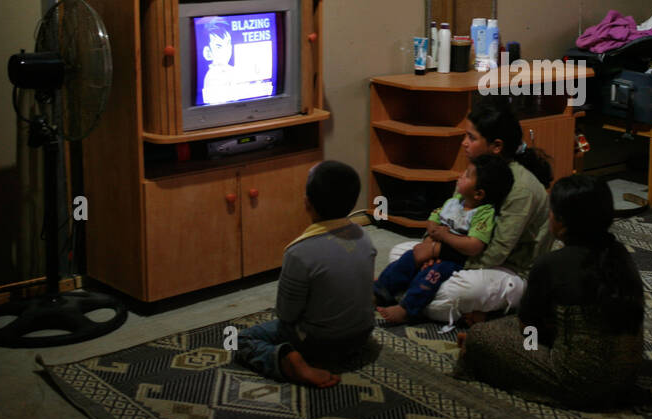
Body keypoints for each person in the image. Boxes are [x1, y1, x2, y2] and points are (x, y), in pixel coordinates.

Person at [454, 174, 645, 408]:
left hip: (579, 381)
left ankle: (478, 352)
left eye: (552, 211)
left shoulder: (551, 263)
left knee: (481, 337)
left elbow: (529, 329)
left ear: (562, 223)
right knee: (505, 323)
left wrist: (513, 346)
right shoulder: (619, 254)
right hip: (627, 375)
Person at [383, 97, 554, 326]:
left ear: (497, 146)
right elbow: (448, 215)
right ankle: (424, 297)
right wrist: (430, 248)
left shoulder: (520, 189)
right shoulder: (476, 168)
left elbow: (496, 254)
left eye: (471, 138)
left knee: (453, 291)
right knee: (399, 253)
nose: (464, 143)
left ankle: (419, 298)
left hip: (509, 270)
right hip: (463, 253)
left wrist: (438, 253)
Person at [234, 161, 375, 388]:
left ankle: (287, 360)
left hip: (319, 343)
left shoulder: (298, 252)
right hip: (362, 334)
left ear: (307, 203)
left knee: (236, 339)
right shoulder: (364, 236)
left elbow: (286, 314)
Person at [376, 155, 513, 325]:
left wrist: (443, 237)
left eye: (467, 175)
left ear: (479, 194)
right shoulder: (454, 202)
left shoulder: (484, 213)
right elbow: (435, 216)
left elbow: (474, 246)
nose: (461, 176)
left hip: (453, 258)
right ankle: (380, 291)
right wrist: (432, 230)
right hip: (435, 246)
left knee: (430, 276)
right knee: (406, 257)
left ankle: (407, 310)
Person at [199, 17, 237, 105]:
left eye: (228, 44)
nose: (226, 50)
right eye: (219, 47)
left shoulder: (231, 70)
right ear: (208, 53)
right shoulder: (212, 77)